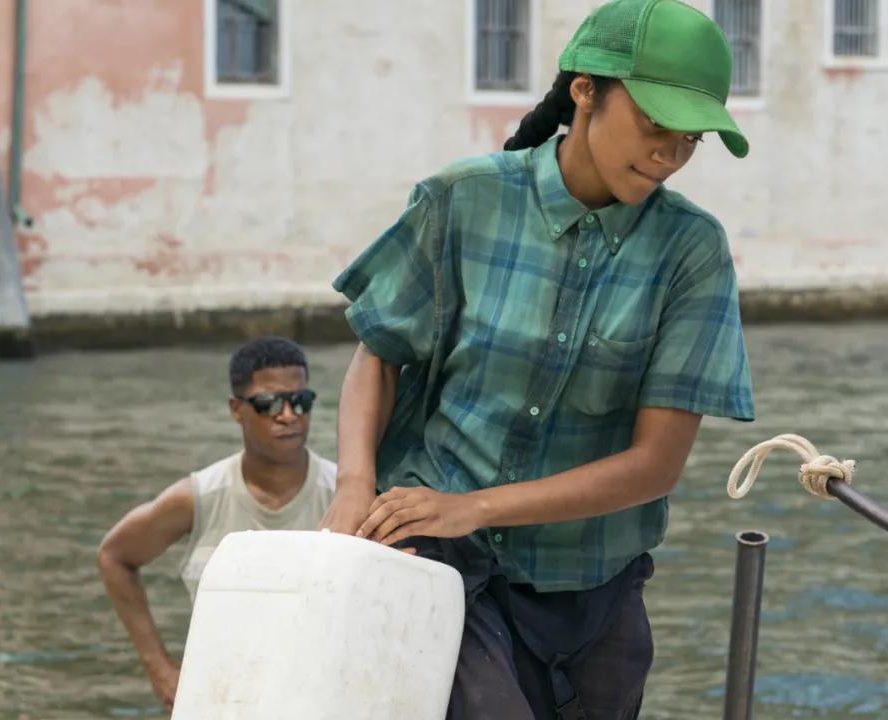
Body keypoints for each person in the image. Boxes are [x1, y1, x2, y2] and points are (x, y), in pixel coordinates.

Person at [321, 0, 755, 717]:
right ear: (585, 90)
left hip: (596, 587)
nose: (669, 156)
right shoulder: (462, 199)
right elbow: (380, 356)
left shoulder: (693, 252)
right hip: (442, 562)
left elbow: (656, 466)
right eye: (653, 126)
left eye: (690, 140)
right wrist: (355, 486)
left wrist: (475, 506)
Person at [97, 336, 336, 711]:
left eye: (300, 401)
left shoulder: (343, 495)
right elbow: (114, 557)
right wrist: (159, 668)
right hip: (221, 698)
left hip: (324, 698)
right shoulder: (198, 498)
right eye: (269, 403)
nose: (288, 415)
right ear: (236, 409)